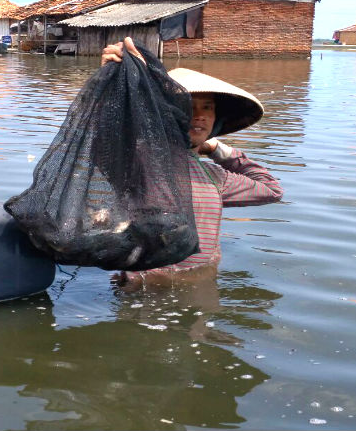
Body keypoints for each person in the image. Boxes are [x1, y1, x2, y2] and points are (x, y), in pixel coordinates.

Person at [102, 38, 283, 291]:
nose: (198, 115)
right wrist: (118, 84)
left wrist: (218, 149)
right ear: (165, 115)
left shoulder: (214, 176)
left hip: (199, 283)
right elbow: (110, 136)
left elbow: (271, 189)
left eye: (207, 107)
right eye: (187, 106)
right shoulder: (140, 161)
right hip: (142, 287)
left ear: (216, 120)